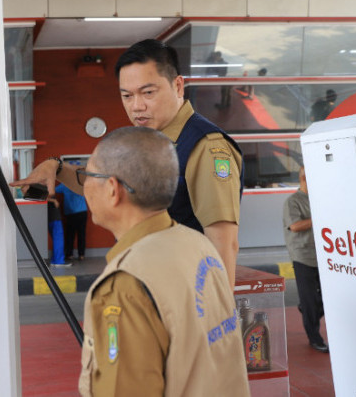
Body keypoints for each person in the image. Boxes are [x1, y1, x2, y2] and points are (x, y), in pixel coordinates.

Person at [13, 39, 244, 286]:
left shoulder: (205, 147)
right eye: (127, 95)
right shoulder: (147, 142)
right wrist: (55, 166)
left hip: (183, 297)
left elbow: (223, 242)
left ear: (178, 86)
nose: (137, 106)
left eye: (148, 93)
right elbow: (102, 185)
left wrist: (216, 319)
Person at [77, 127, 249, 396]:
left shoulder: (126, 285)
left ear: (112, 188)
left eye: (87, 175)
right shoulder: (199, 246)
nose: (84, 186)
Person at [282, 167, 328, 353]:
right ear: (304, 178)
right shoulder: (292, 202)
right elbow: (295, 226)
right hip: (302, 256)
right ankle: (314, 338)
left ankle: (310, 309)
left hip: (323, 255)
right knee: (310, 300)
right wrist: (319, 218)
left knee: (326, 298)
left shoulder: (319, 199)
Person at [55, 182, 88, 261]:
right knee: (81, 234)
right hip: (82, 211)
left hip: (71, 213)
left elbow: (53, 190)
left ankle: (69, 254)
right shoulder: (80, 184)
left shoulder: (65, 185)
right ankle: (81, 254)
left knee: (70, 234)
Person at [47, 199, 71, 267]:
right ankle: (58, 260)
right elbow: (49, 193)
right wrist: (53, 200)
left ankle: (55, 259)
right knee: (58, 238)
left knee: (56, 238)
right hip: (53, 213)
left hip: (49, 212)